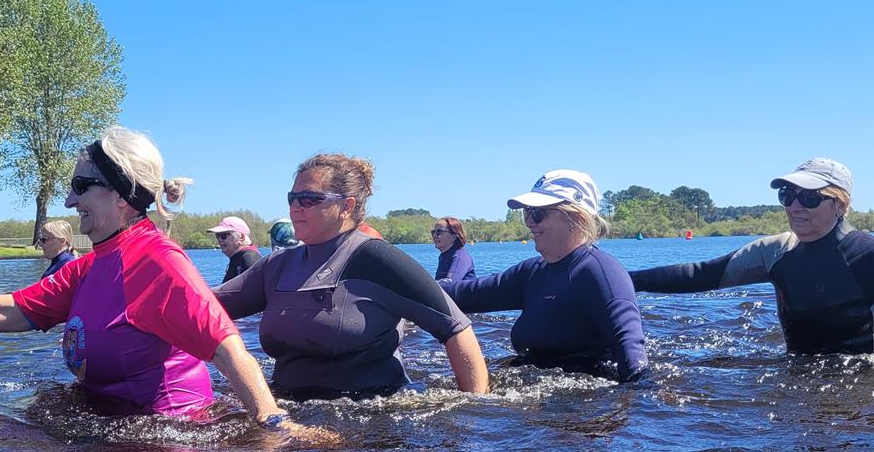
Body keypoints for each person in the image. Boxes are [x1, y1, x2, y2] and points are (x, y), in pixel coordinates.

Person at [0, 126, 320, 437]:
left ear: (124, 196)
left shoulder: (156, 262)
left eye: (82, 186)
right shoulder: (95, 263)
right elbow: (10, 309)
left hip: (169, 449)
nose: (69, 200)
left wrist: (273, 428)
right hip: (113, 424)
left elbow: (227, 345)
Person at [629, 158, 874, 355]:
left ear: (840, 204)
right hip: (798, 376)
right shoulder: (776, 251)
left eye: (810, 198)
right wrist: (625, 280)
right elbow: (700, 274)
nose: (796, 207)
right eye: (788, 196)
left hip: (861, 386)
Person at [213, 153, 489, 400]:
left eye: (309, 198)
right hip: (293, 415)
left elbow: (455, 327)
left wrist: (474, 413)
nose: (295, 207)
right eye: (292, 198)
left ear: (346, 206)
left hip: (369, 421)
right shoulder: (277, 266)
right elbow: (207, 307)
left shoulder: (377, 260)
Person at [439, 171, 645, 382]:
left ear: (574, 216)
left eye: (537, 213)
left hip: (581, 407)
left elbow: (635, 363)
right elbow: (464, 295)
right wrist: (407, 286)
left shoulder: (601, 273)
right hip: (535, 397)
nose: (530, 222)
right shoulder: (532, 272)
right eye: (527, 213)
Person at [209, 216, 261, 283]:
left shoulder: (249, 258)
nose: (219, 240)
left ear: (241, 237)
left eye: (223, 235)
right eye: (217, 236)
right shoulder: (238, 258)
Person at [431, 216, 476, 283]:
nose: (434, 236)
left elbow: (449, 283)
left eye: (439, 232)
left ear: (453, 236)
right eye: (433, 232)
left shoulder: (461, 257)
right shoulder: (443, 256)